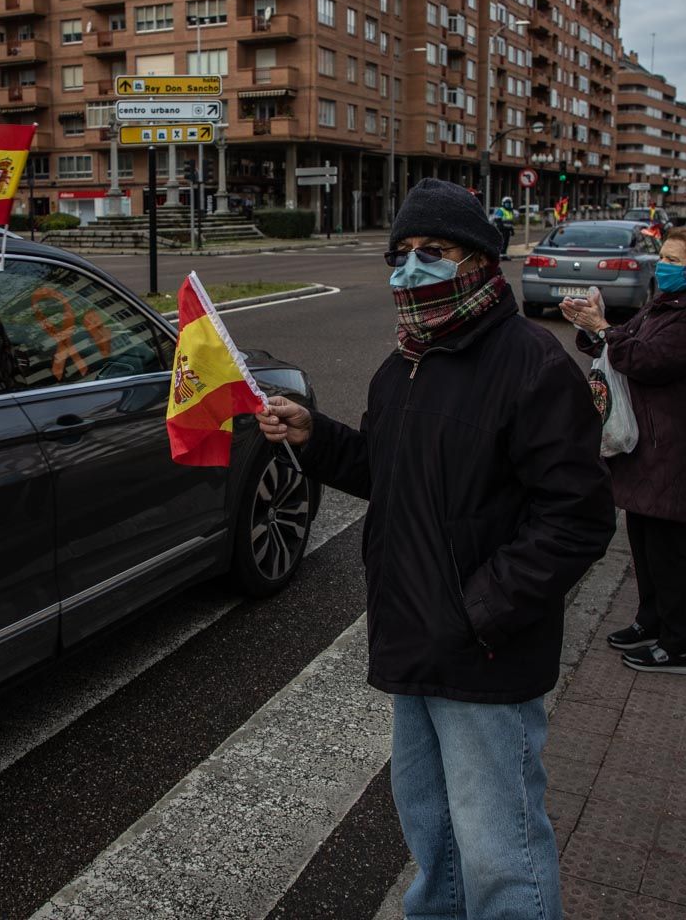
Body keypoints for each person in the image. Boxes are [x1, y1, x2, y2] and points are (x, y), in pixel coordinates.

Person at [256, 178, 614, 920]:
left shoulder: (532, 367)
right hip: (414, 639)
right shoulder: (404, 367)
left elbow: (577, 519)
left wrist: (479, 610)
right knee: (433, 832)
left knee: (501, 852)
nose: (410, 268)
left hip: (482, 652)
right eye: (401, 254)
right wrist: (313, 436)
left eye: (433, 252)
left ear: (479, 261)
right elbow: (390, 475)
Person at [560, 225, 686, 675]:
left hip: (674, 444)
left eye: (674, 260)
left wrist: (605, 331)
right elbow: (626, 343)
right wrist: (593, 324)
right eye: (663, 256)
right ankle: (649, 620)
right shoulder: (667, 301)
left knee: (669, 544)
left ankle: (677, 646)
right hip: (648, 440)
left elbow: (648, 361)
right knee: (643, 538)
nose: (663, 265)